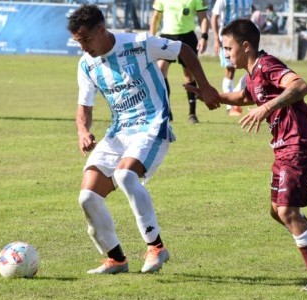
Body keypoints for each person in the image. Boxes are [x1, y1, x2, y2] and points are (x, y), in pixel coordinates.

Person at [185, 19, 307, 291]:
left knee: (287, 210)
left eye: (228, 48)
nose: (225, 53)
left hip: (300, 144)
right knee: (276, 211)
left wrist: (266, 108)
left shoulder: (268, 65)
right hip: (285, 148)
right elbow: (246, 97)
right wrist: (213, 96)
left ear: (246, 46)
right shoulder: (252, 74)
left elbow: (300, 86)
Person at [67, 4, 220, 275]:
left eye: (87, 40)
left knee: (126, 176)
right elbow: (84, 107)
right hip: (119, 131)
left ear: (101, 30)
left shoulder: (138, 44)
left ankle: (156, 247)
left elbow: (183, 49)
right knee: (87, 197)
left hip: (153, 125)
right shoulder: (86, 65)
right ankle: (116, 259)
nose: (84, 48)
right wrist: (82, 130)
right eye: (79, 42)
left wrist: (205, 87)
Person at [149, 0, 210, 124]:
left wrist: (204, 37)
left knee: (188, 75)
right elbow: (156, 18)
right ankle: (167, 110)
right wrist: (150, 38)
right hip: (167, 37)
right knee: (160, 70)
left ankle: (192, 113)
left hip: (187, 37)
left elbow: (203, 17)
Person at [211, 0, 252, 116]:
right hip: (227, 41)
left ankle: (235, 98)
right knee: (230, 70)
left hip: (244, 41)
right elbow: (214, 18)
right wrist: (215, 39)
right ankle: (231, 107)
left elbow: (248, 19)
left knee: (252, 68)